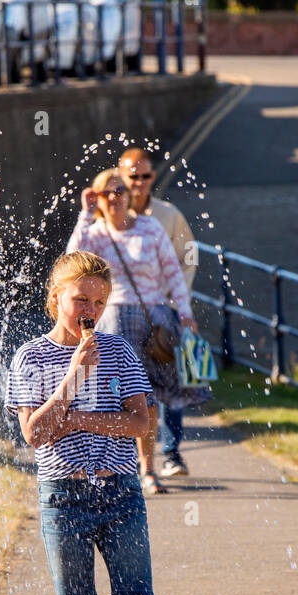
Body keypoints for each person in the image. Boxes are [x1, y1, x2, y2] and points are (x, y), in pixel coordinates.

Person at [4, 249, 192, 595]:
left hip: (120, 492)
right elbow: (36, 433)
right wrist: (72, 376)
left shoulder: (121, 352)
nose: (89, 309)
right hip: (63, 497)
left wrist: (84, 419)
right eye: (80, 299)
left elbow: (140, 423)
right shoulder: (31, 357)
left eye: (99, 301)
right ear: (55, 300)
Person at [67, 168, 195, 495]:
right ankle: (112, 468)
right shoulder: (94, 232)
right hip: (111, 322)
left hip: (153, 320)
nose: (115, 198)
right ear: (98, 198)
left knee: (149, 397)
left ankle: (149, 469)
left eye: (120, 190)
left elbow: (173, 271)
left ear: (129, 194)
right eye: (107, 193)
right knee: (112, 398)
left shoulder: (150, 227)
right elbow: (70, 262)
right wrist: (85, 212)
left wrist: (185, 311)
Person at [119, 146, 207, 478]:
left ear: (153, 176)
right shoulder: (111, 217)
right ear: (122, 175)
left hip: (163, 310)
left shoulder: (168, 215)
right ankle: (132, 459)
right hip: (122, 315)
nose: (139, 182)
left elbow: (189, 255)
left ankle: (171, 453)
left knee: (170, 383)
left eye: (146, 176)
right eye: (133, 176)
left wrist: (177, 301)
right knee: (126, 385)